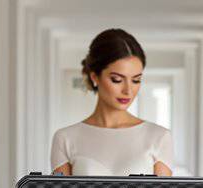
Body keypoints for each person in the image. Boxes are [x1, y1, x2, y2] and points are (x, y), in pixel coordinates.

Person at [50, 29, 174, 177]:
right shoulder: (65, 138)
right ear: (95, 77)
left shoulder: (159, 137)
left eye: (136, 80)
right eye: (117, 80)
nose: (128, 90)